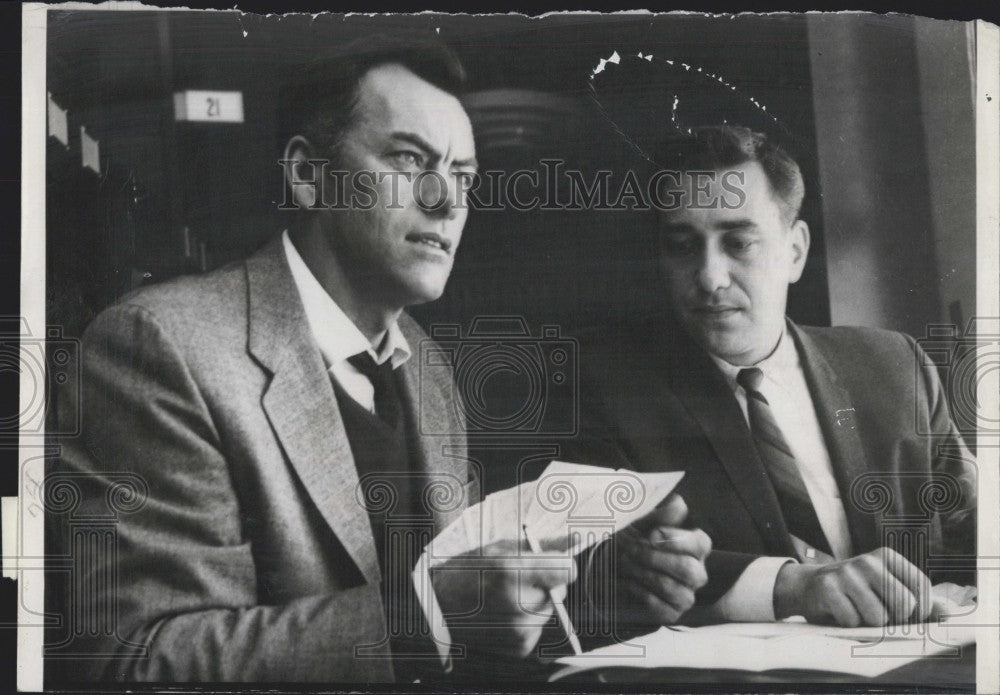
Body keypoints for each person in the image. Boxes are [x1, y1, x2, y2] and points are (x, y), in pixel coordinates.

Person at [49, 37, 709, 683]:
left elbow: (464, 599)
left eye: (462, 176)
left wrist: (598, 584)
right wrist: (428, 615)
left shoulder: (426, 365)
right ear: (308, 176)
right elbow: (136, 656)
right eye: (409, 159)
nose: (447, 202)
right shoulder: (163, 345)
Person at [569, 125, 976, 629]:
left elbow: (977, 532)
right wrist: (789, 585)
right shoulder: (603, 388)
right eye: (682, 246)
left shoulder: (895, 366)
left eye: (739, 242)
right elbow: (593, 564)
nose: (710, 278)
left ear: (796, 251)